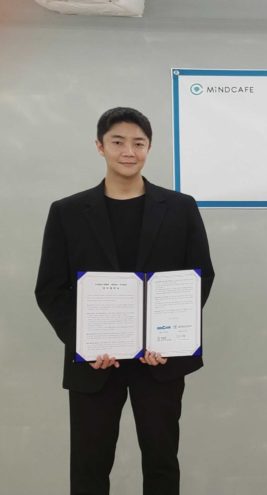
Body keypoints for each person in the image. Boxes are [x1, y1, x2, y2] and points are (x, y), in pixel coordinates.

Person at [35, 107, 215, 495]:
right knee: (89, 465)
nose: (128, 151)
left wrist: (170, 337)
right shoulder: (67, 212)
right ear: (100, 146)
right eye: (118, 142)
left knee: (162, 462)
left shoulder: (180, 208)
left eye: (138, 143)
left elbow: (200, 277)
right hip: (95, 361)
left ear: (149, 147)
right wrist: (84, 342)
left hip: (160, 360)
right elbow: (50, 288)